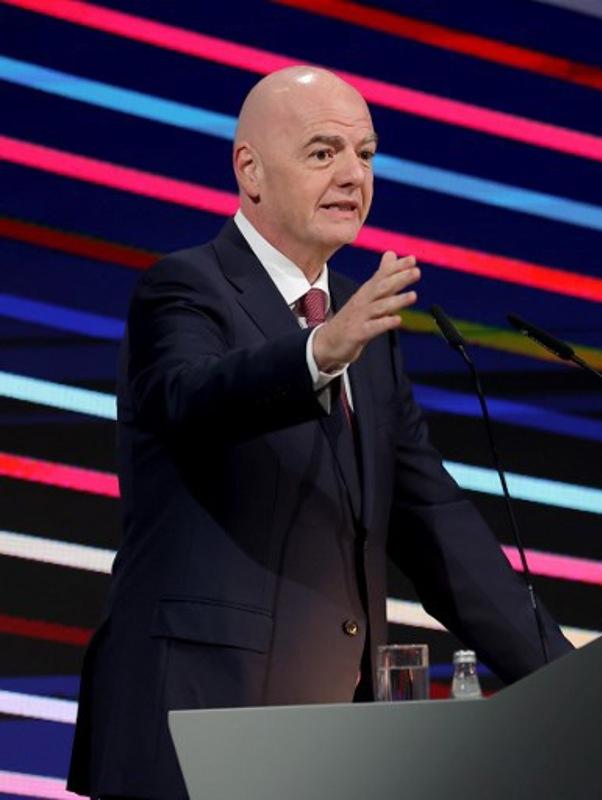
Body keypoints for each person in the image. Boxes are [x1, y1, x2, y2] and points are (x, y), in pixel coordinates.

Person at [66, 65, 573, 800]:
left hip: (333, 746)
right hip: (194, 733)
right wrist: (316, 354)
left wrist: (568, 682)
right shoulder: (183, 289)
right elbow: (192, 399)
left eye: (366, 155)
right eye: (323, 151)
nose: (352, 175)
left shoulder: (365, 334)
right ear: (250, 170)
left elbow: (435, 526)